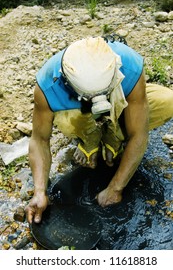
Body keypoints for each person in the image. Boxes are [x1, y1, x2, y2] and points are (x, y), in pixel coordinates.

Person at [25, 36, 173, 224]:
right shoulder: (48, 84)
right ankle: (89, 141)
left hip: (123, 106)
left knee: (167, 101)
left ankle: (114, 139)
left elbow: (139, 134)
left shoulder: (128, 63)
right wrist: (39, 191)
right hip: (79, 112)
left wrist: (116, 188)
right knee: (68, 116)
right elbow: (39, 140)